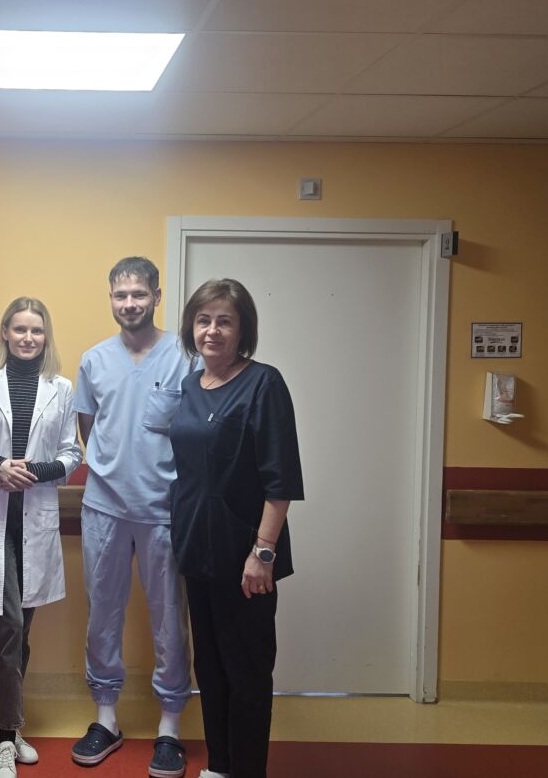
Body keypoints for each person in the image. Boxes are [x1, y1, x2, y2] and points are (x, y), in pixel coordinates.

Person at [169, 279, 304, 778]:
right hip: (196, 552)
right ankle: (220, 765)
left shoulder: (264, 383)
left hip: (245, 558)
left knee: (246, 671)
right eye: (203, 320)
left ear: (242, 329)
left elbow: (280, 479)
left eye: (224, 321)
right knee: (210, 668)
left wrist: (262, 551)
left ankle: (247, 770)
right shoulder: (190, 386)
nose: (212, 330)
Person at [0, 297, 83, 778]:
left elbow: (71, 453)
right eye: (20, 329)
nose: (28, 338)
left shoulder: (61, 389)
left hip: (35, 516)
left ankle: (7, 724)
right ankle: (7, 736)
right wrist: (0, 467)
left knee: (20, 629)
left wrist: (34, 473)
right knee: (6, 626)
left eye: (36, 330)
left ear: (46, 337)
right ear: (5, 332)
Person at [71, 257, 192, 778]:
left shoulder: (185, 357)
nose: (129, 304)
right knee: (103, 614)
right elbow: (88, 428)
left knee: (169, 618)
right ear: (111, 298)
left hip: (164, 509)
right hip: (105, 508)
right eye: (120, 295)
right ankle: (106, 718)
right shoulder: (94, 360)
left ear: (157, 297)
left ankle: (170, 727)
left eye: (139, 294)